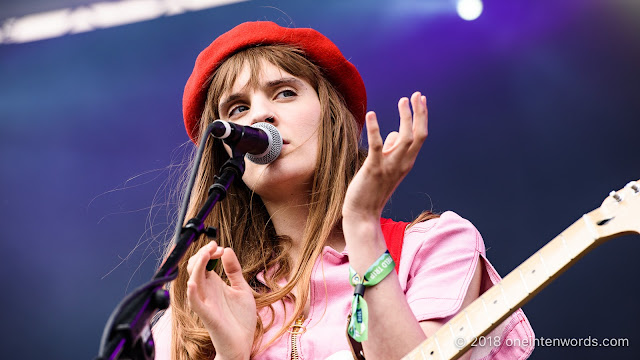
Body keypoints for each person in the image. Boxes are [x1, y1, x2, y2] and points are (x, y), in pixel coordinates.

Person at [152, 21, 534, 360]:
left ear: (331, 120)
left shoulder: (434, 248)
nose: (259, 116)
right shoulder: (198, 299)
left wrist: (362, 225)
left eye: (285, 92)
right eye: (236, 109)